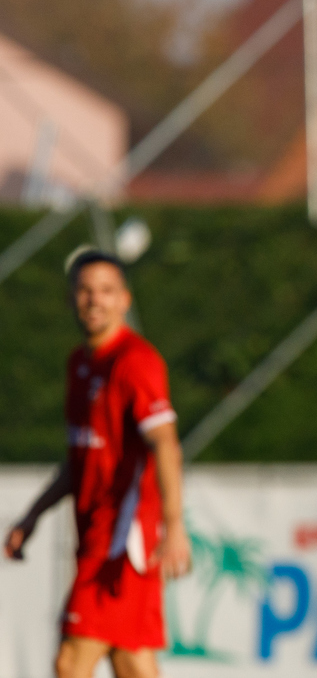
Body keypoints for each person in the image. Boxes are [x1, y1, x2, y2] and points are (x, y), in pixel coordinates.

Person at [5, 248, 192, 678]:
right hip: (94, 532)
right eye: (85, 291)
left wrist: (174, 522)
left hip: (123, 540)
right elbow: (81, 459)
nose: (95, 301)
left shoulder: (135, 362)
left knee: (71, 663)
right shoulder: (82, 365)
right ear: (72, 298)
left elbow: (165, 442)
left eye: (106, 291)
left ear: (125, 300)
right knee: (129, 660)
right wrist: (33, 515)